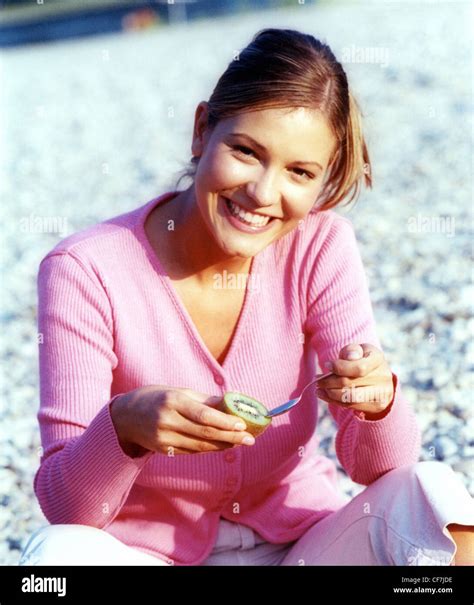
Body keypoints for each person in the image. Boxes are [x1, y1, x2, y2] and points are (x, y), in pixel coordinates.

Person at [20, 28, 473, 567]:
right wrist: (124, 427)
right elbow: (68, 507)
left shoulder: (320, 246)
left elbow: (382, 471)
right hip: (148, 558)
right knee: (56, 558)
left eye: (299, 172)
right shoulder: (85, 269)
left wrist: (376, 403)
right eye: (245, 151)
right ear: (200, 131)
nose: (262, 193)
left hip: (303, 549)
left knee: (432, 495)